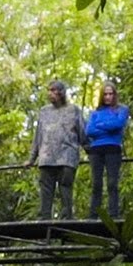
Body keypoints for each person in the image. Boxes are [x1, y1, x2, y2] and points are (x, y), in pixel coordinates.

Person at [25, 80, 85, 220]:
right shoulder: (44, 111)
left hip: (67, 157)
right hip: (47, 158)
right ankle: (44, 219)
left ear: (61, 92)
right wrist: (32, 158)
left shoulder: (73, 110)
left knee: (65, 189)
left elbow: (83, 132)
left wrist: (91, 150)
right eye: (49, 90)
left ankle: (67, 219)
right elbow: (38, 136)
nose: (50, 93)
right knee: (46, 191)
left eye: (53, 90)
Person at [84, 80, 129, 219]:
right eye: (105, 94)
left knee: (112, 183)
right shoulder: (95, 112)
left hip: (113, 148)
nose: (108, 97)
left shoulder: (122, 109)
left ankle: (113, 215)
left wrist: (101, 125)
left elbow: (118, 124)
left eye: (110, 94)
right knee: (96, 183)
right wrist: (108, 127)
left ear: (115, 95)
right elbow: (89, 130)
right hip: (96, 150)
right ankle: (93, 215)